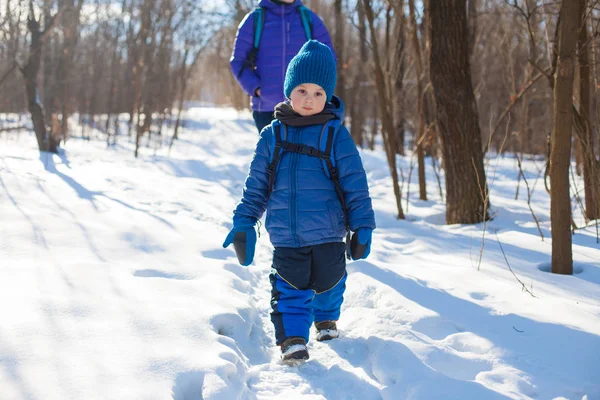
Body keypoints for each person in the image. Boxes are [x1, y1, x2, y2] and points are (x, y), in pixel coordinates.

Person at [223, 40, 376, 364]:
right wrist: (244, 222)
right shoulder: (273, 136)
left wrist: (362, 225)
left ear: (329, 96)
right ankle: (292, 340)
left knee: (330, 285)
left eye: (319, 93)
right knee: (290, 290)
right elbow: (257, 186)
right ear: (289, 91)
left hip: (328, 233)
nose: (309, 99)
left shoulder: (335, 135)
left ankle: (325, 319)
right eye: (302, 90)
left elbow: (355, 185)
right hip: (287, 236)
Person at [230, 0, 335, 133]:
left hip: (306, 110)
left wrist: (319, 94)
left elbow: (328, 61)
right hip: (267, 110)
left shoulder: (309, 19)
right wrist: (257, 89)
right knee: (271, 153)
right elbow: (238, 61)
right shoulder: (254, 20)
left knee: (302, 154)